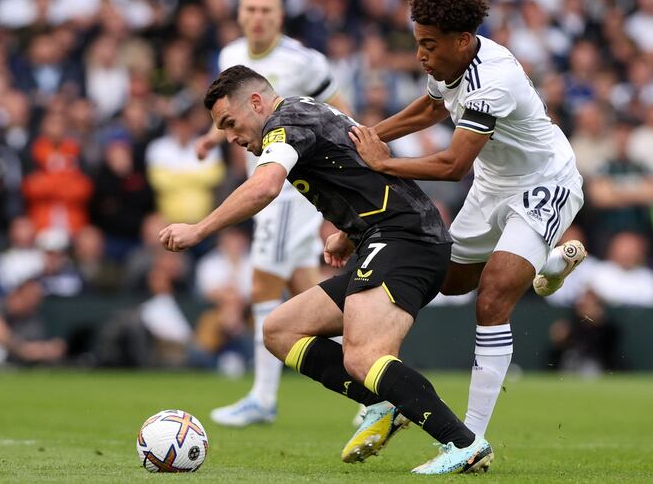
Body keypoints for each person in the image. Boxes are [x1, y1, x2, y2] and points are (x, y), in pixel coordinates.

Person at [159, 66, 493, 474]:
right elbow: (356, 167)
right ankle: (381, 403)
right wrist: (351, 230)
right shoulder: (304, 110)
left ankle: (464, 444)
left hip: (406, 238)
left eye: (230, 122)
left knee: (365, 356)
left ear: (257, 103)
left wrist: (199, 229)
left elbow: (265, 187)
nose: (230, 137)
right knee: (280, 330)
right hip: (384, 235)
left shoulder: (284, 125)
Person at [350, 0, 586, 443]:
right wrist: (368, 135)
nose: (420, 55)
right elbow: (431, 109)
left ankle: (469, 439)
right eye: (418, 42)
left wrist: (382, 161)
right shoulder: (450, 59)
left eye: (428, 45)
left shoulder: (492, 79)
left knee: (493, 299)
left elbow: (452, 164)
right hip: (492, 185)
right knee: (449, 280)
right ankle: (550, 264)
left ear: (461, 41)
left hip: (545, 183)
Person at [195, 0, 354, 428]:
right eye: (251, 8)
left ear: (279, 15)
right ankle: (371, 376)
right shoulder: (229, 56)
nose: (258, 16)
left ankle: (263, 397)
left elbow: (342, 111)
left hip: (290, 188)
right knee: (309, 291)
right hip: (263, 180)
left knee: (264, 283)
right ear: (240, 14)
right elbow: (230, 112)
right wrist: (210, 139)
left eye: (267, 8)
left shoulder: (304, 61)